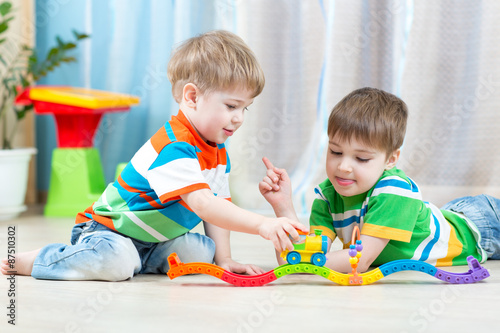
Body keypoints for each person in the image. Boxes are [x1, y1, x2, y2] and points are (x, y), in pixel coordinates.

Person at [1, 30, 307, 281]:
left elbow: (220, 202)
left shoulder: (217, 148)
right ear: (192, 96)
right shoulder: (174, 147)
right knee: (115, 264)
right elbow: (203, 204)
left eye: (245, 108)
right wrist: (262, 225)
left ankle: (140, 260)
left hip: (155, 240)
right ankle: (40, 259)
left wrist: (224, 260)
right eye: (231, 106)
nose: (239, 118)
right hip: (109, 230)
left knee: (204, 252)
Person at [259, 87, 499, 273]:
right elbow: (295, 258)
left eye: (361, 158)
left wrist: (305, 267)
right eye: (335, 152)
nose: (343, 167)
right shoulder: (328, 194)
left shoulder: (394, 190)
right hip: (451, 218)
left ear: (390, 160)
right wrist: (284, 208)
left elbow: (360, 261)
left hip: (480, 226)